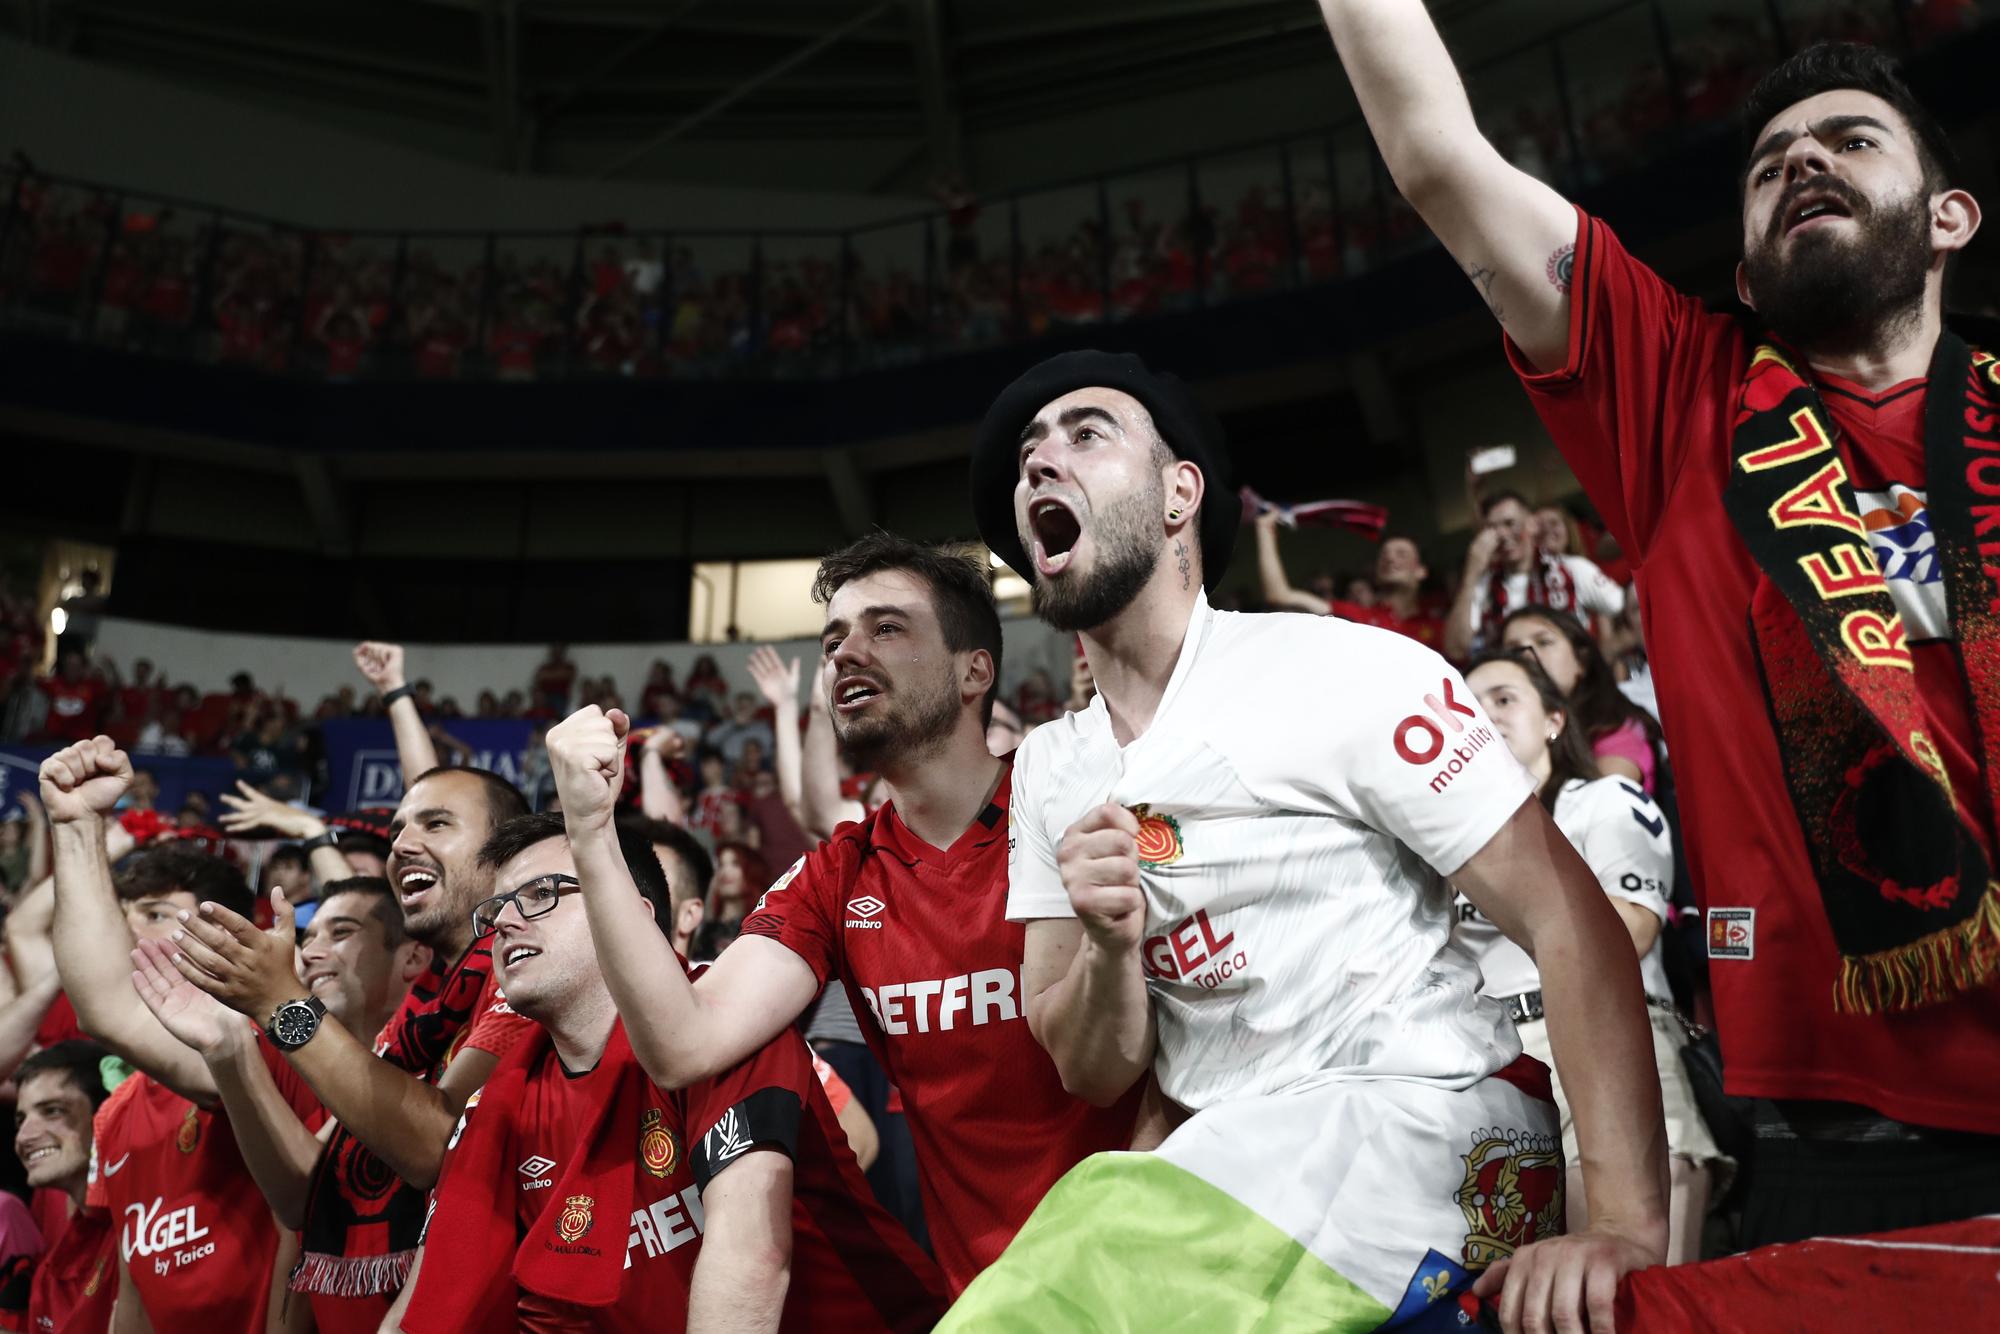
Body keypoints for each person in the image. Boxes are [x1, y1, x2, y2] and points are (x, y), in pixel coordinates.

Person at [1318, 6, 1999, 1243]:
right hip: (1832, 1136)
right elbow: (1435, 157)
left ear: (1948, 216)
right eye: (1769, 162)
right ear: (1743, 274)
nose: (1801, 160)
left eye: (1848, 139)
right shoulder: (1677, 391)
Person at [954, 348, 1666, 1332]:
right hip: (1246, 1162)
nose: (1038, 462)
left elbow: (1565, 914)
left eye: (1084, 433)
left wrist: (1625, 1223)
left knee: (1047, 1295)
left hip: (1426, 1117)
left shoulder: (1343, 668)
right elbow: (1092, 1066)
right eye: (1027, 452)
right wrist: (1111, 944)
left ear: (1178, 494)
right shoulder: (1045, 768)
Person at [539, 533, 1143, 1296]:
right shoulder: (837, 874)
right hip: (988, 1302)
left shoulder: (1075, 806)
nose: (845, 653)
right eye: (834, 639)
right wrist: (591, 833)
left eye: (886, 628)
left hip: (1150, 1282)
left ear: (973, 671)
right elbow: (683, 1042)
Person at [392, 812, 945, 1332]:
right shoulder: (495, 1106)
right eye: (495, 911)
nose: (505, 922)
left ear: (629, 914)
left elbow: (751, 1263)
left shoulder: (728, 1023)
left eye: (540, 895)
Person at [158, 763, 536, 1325]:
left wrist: (282, 1006)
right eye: (399, 831)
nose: (403, 844)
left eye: (436, 824)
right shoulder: (421, 1013)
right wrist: (229, 1049)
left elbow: (438, 1148)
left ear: (507, 853)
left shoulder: (524, 979)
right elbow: (303, 1194)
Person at [1450, 652, 1728, 1264]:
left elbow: (1630, 933)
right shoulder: (1436, 842)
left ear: (1554, 719)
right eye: (1468, 704)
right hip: (1482, 1058)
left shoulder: (1604, 801)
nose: (1484, 713)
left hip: (1600, 1028)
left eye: (1503, 697)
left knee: (1626, 1295)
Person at [39, 737, 324, 1333]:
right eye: (125, 915)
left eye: (159, 916)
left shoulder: (274, 1042)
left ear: (226, 935)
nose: (131, 935)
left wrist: (80, 827)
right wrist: (78, 826)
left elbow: (108, 1005)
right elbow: (133, 1295)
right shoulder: (115, 1116)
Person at [1446, 490, 1626, 660]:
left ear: (1532, 524)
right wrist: (1471, 573)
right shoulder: (1483, 585)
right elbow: (1456, 649)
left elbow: (1625, 609)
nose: (1502, 534)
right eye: (1493, 528)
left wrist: (1601, 658)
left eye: (1509, 523)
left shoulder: (1571, 569)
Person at [1500, 607, 1664, 791]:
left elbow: (1601, 807)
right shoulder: (1499, 730)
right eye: (1514, 650)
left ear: (1581, 661)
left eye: (1544, 642)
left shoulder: (1618, 730)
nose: (1527, 656)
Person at [14, 1041, 116, 1334]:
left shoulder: (150, 1237)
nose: (24, 1136)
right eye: (20, 1120)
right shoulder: (52, 1269)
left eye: (53, 1111)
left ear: (106, 1113)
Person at [1253, 509, 1446, 650]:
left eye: (1401, 554)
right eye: (1384, 554)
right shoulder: (1358, 617)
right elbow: (1280, 595)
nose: (1390, 558)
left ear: (1420, 571)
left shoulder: (1441, 621)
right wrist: (1264, 529)